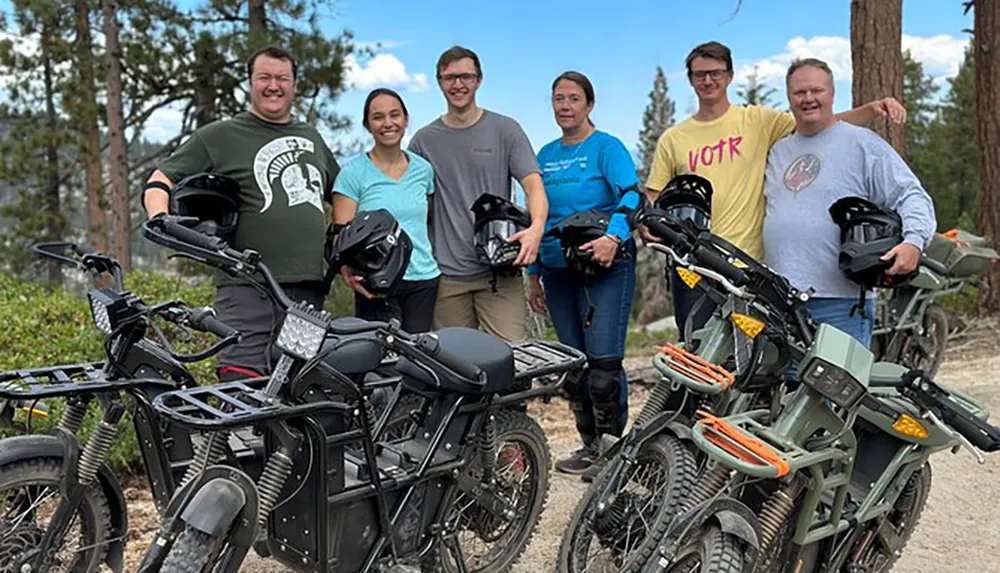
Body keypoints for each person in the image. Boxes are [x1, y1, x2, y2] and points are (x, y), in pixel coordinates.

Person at [642, 41, 908, 341]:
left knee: (750, 366)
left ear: (729, 76)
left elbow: (820, 121)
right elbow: (654, 197)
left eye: (716, 73)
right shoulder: (673, 138)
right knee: (696, 353)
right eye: (700, 74)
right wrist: (647, 224)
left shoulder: (758, 121)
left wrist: (872, 110)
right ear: (690, 79)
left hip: (748, 269)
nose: (708, 81)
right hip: (693, 265)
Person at [142, 45, 341, 380]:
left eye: (282, 78)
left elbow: (340, 192)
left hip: (308, 289)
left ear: (294, 85)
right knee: (240, 381)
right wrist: (161, 219)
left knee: (298, 387)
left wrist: (347, 247)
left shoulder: (311, 137)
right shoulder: (220, 135)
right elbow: (161, 179)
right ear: (251, 83)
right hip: (246, 284)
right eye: (264, 77)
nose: (273, 85)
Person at [762, 58, 935, 347]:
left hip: (841, 303)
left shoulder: (861, 144)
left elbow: (910, 194)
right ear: (789, 98)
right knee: (790, 391)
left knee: (839, 390)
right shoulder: (780, 150)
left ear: (831, 93)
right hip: (783, 301)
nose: (808, 99)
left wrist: (914, 241)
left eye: (816, 90)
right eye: (799, 93)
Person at [527, 71, 641, 477]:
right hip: (558, 269)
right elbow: (536, 215)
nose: (565, 106)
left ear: (589, 105)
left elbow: (632, 193)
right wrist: (533, 272)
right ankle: (589, 445)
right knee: (575, 369)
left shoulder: (606, 148)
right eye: (558, 99)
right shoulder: (544, 156)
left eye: (573, 98)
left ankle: (613, 454)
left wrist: (614, 237)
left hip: (604, 266)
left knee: (602, 368)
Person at [408, 45, 548, 342]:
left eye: (465, 77)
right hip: (447, 277)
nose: (458, 85)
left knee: (514, 361)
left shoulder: (505, 130)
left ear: (479, 80)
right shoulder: (423, 141)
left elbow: (533, 186)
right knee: (455, 369)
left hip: (499, 272)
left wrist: (536, 229)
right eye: (449, 78)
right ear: (439, 82)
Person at [333, 88, 440, 333]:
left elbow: (426, 220)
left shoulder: (424, 170)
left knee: (418, 362)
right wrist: (346, 272)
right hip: (375, 284)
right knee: (378, 363)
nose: (388, 123)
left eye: (395, 115)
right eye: (378, 117)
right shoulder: (352, 174)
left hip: (423, 279)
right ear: (368, 124)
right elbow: (340, 236)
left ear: (405, 119)